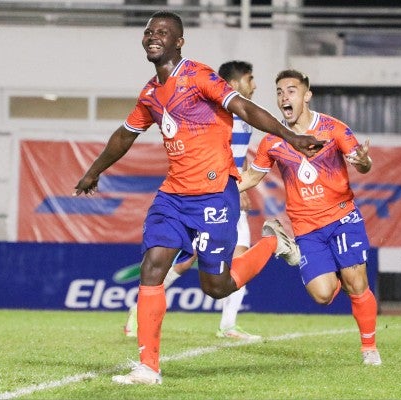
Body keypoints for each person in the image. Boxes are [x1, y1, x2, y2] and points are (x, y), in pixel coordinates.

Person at [73, 12, 325, 385]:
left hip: (213, 195)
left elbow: (244, 108)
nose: (152, 37)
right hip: (173, 197)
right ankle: (148, 367)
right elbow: (125, 135)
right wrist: (94, 171)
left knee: (216, 287)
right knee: (153, 266)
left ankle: (273, 241)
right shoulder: (150, 93)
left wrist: (292, 137)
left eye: (162, 32)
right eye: (148, 32)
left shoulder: (198, 76)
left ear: (179, 42)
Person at [238, 69, 382, 366]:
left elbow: (362, 164)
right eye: (279, 92)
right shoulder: (274, 141)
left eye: (290, 91)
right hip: (306, 229)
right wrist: (217, 190)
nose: (283, 97)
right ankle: (303, 253)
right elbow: (252, 176)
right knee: (322, 295)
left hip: (343, 218)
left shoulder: (333, 129)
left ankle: (369, 349)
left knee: (357, 284)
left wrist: (365, 162)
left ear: (306, 95)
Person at [123, 60, 261, 341]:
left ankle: (228, 325)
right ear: (233, 85)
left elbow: (234, 153)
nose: (255, 85)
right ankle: (139, 310)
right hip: (206, 196)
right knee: (184, 263)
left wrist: (241, 184)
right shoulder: (214, 110)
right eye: (250, 79)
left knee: (237, 256)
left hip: (227, 193)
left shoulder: (245, 117)